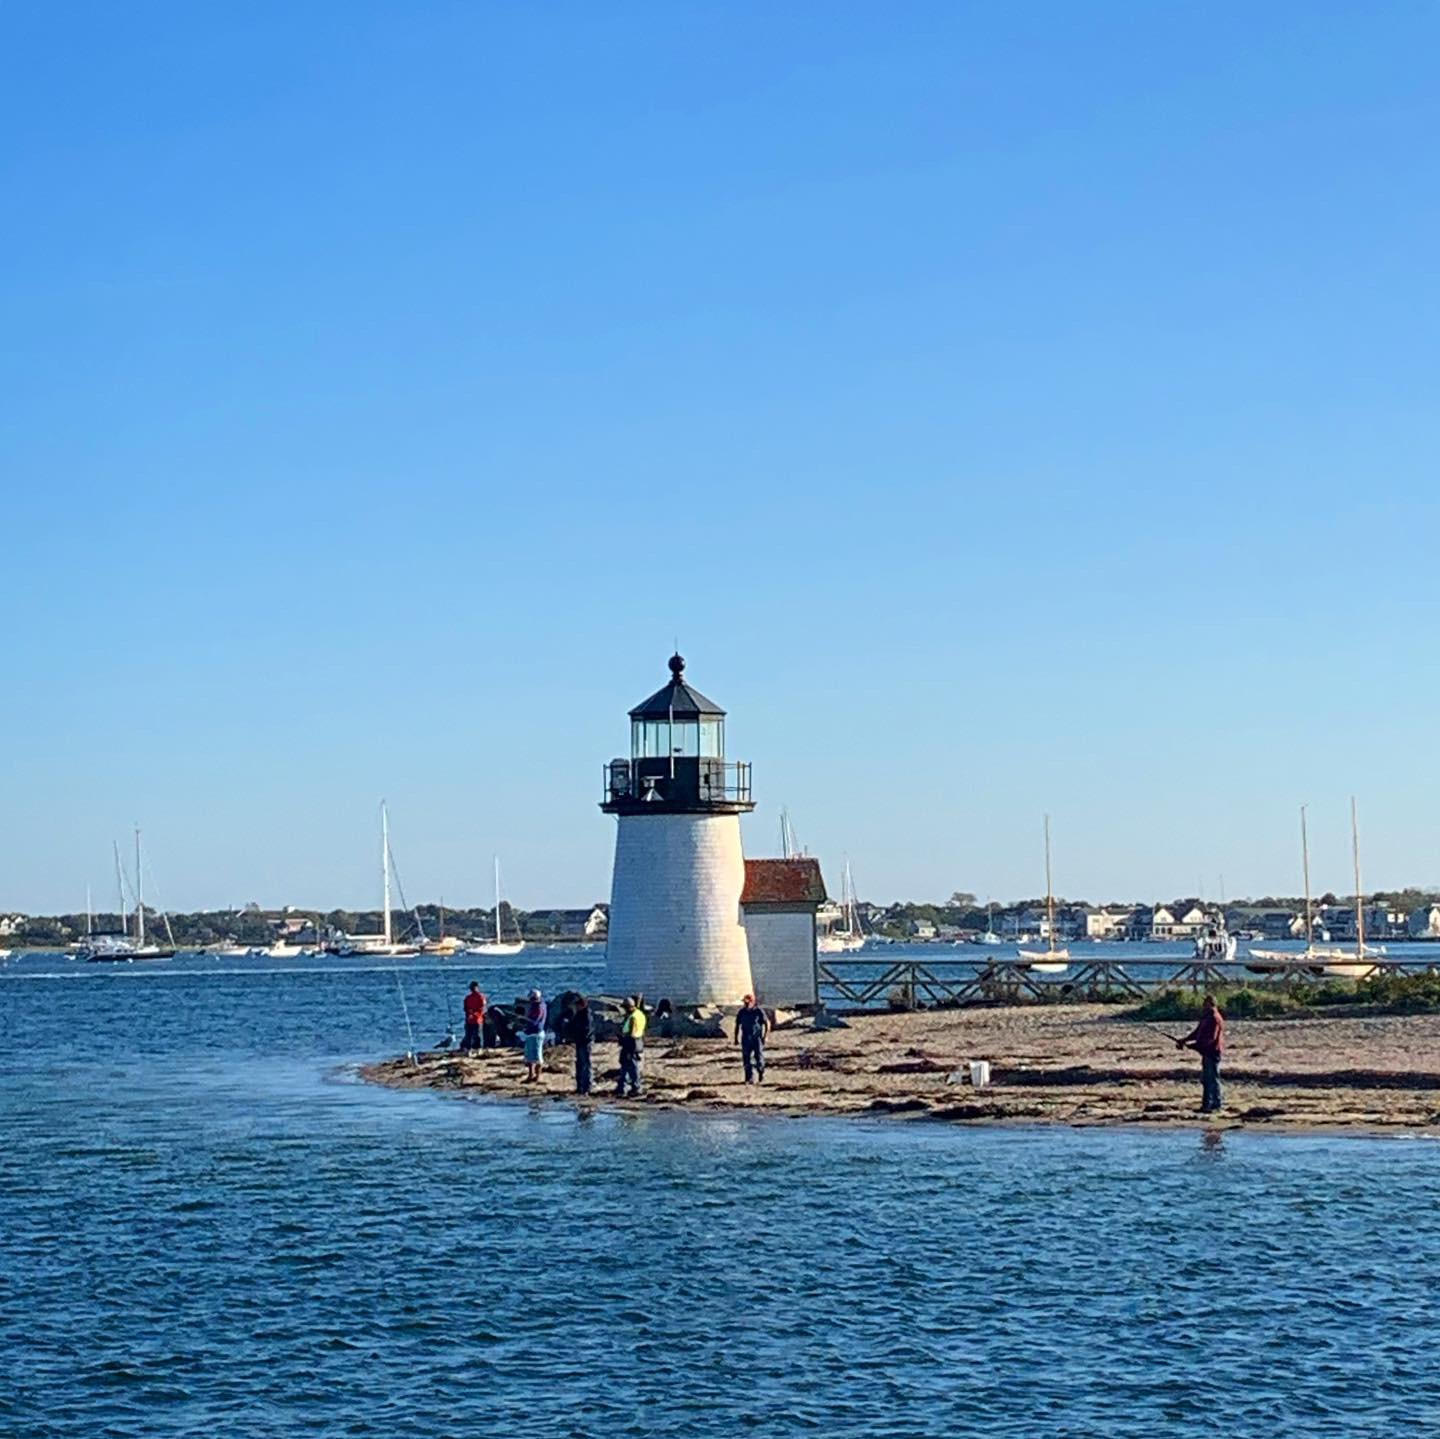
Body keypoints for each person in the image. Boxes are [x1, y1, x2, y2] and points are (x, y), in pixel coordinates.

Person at [1177, 995, 1226, 1113]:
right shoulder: (1207, 1017)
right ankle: (1207, 1105)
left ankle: (1216, 1105)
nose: (1203, 1005)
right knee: (1206, 1079)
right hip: (1206, 1052)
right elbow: (1197, 1033)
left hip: (1212, 1052)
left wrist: (1195, 1046)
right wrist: (1184, 1040)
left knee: (1212, 1079)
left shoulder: (1214, 1018)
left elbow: (1211, 1038)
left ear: (1210, 1003)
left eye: (1205, 1002)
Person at [734, 994, 769, 1084]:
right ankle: (749, 1078)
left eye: (747, 1002)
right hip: (745, 1038)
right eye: (745, 1003)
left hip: (757, 1038)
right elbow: (737, 1025)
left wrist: (765, 1036)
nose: (746, 1004)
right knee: (746, 1059)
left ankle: (761, 1072)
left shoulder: (759, 1011)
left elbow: (767, 1023)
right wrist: (736, 1038)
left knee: (759, 1057)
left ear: (752, 1002)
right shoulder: (741, 1012)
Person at [616, 995, 646, 1097]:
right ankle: (622, 1087)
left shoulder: (633, 1017)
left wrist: (623, 1037)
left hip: (631, 1042)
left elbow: (631, 1032)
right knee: (627, 1065)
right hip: (638, 1042)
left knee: (632, 1066)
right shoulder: (640, 1014)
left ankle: (635, 1087)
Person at [522, 988, 547, 1083]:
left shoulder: (540, 1006)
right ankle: (530, 1075)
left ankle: (537, 1076)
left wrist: (526, 1021)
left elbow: (535, 1020)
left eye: (532, 998)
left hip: (536, 1033)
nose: (530, 1001)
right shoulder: (537, 1005)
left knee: (537, 1056)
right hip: (530, 1033)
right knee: (529, 1056)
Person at [570, 995, 594, 1095]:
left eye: (577, 1005)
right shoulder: (578, 1014)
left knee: (586, 1064)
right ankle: (580, 1086)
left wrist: (579, 1037)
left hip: (585, 1042)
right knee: (579, 1064)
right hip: (579, 1042)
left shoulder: (587, 1015)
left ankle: (587, 1087)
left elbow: (587, 1030)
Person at [460, 982, 486, 1053]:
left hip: (475, 1019)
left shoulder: (477, 997)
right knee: (472, 1035)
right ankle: (472, 1049)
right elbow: (482, 1007)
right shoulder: (472, 997)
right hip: (473, 1019)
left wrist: (470, 1013)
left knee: (474, 1035)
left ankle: (475, 1049)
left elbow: (481, 1007)